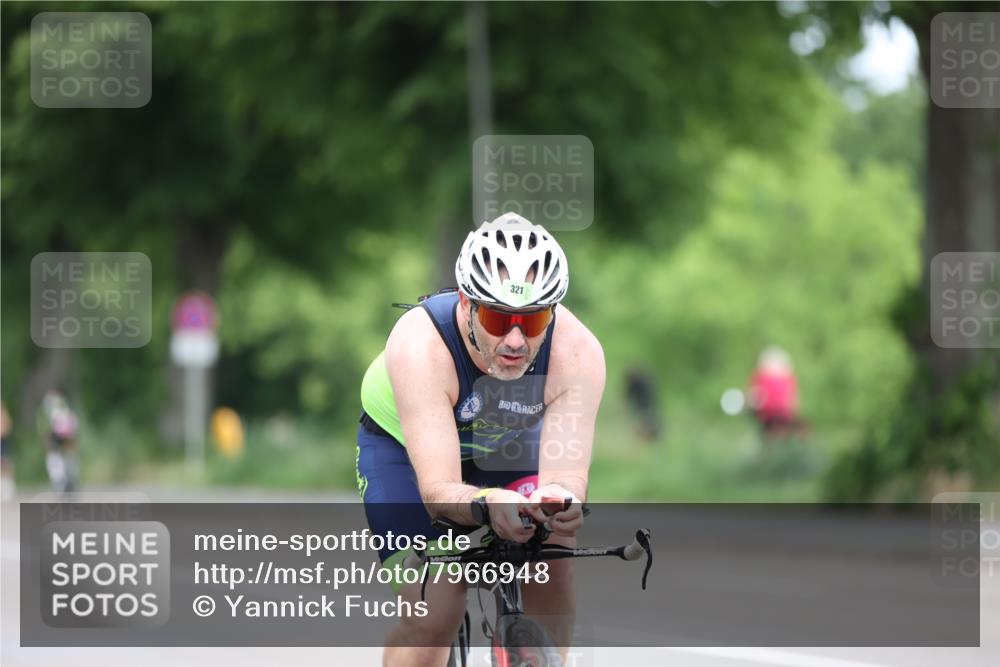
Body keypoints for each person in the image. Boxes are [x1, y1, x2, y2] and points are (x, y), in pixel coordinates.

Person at [356, 212, 606, 667]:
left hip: (504, 446)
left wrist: (558, 502)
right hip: (403, 453)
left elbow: (567, 476)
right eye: (497, 318)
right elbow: (437, 490)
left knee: (555, 561)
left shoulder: (578, 352)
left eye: (532, 323)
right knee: (434, 614)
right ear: (467, 305)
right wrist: (490, 502)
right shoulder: (421, 344)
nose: (514, 340)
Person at [747, 346, 802, 438]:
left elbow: (793, 398)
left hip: (782, 415)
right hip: (768, 416)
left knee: (781, 434)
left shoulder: (787, 378)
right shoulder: (761, 377)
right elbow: (754, 395)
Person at [38, 391, 80, 493]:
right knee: (63, 459)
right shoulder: (65, 410)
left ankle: (64, 481)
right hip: (62, 437)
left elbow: (47, 431)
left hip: (59, 437)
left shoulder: (53, 413)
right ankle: (66, 481)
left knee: (59, 460)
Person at [1, 399, 14, 501]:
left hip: (3, 441)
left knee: (5, 463)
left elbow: (7, 427)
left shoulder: (3, 414)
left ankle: (8, 487)